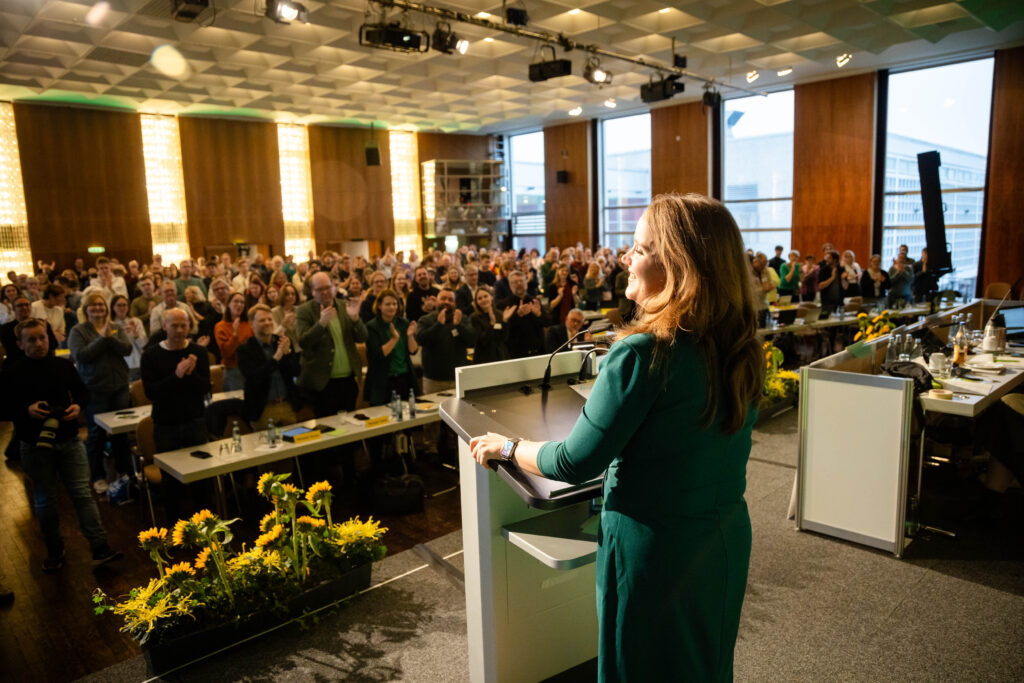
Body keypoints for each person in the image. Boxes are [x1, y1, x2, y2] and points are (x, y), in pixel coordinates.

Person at [470, 193, 762, 681]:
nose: (626, 257)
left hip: (653, 553)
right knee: (703, 665)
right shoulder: (740, 347)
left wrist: (507, 447)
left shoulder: (643, 355)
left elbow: (573, 462)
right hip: (721, 539)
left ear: (678, 267)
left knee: (639, 668)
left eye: (639, 248)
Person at [0, 319, 122, 571]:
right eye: (31, 339)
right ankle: (55, 550)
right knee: (45, 499)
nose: (39, 343)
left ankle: (99, 547)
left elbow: (82, 393)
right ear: (20, 343)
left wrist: (77, 406)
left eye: (42, 337)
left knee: (82, 494)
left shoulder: (62, 365)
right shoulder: (12, 371)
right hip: (34, 444)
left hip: (68, 439)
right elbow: (2, 407)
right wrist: (26, 409)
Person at [68, 292, 133, 492]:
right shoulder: (78, 331)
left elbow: (127, 349)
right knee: (96, 434)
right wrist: (102, 339)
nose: (98, 308)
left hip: (119, 386)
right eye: (93, 306)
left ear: (106, 308)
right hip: (95, 389)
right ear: (86, 309)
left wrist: (109, 337)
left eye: (101, 305)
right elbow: (81, 356)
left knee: (121, 432)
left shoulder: (116, 327)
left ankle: (125, 473)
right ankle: (96, 476)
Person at [296, 272, 367, 417]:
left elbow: (362, 337)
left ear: (334, 287)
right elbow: (304, 342)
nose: (325, 292)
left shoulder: (344, 306)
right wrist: (321, 324)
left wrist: (355, 319)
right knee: (328, 430)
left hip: (347, 380)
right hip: (323, 383)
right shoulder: (305, 311)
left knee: (350, 426)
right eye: (320, 289)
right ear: (312, 291)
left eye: (328, 287)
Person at [237, 305, 302, 429]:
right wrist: (276, 357)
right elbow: (254, 378)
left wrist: (287, 353)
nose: (267, 323)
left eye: (269, 319)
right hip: (263, 409)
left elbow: (296, 371)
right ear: (252, 324)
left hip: (287, 405)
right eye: (262, 320)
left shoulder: (282, 341)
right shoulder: (245, 349)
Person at [363, 289, 419, 406]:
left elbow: (413, 351)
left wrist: (410, 336)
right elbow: (377, 355)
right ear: (379, 306)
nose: (392, 307)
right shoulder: (372, 326)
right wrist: (394, 339)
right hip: (383, 381)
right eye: (387, 304)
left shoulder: (403, 322)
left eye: (394, 304)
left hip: (404, 378)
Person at [414, 287, 475, 394]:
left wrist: (459, 325)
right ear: (437, 301)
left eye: (450, 300)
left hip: (458, 378)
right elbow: (420, 340)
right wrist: (438, 325)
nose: (446, 302)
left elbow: (472, 341)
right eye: (443, 298)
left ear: (455, 303)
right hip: (433, 381)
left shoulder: (462, 319)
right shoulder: (426, 320)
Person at [498, 271, 546, 358]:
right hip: (516, 355)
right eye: (515, 282)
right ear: (510, 286)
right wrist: (517, 315)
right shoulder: (503, 305)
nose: (519, 284)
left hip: (538, 352)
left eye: (521, 281)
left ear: (526, 284)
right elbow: (503, 332)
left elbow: (547, 322)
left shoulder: (534, 301)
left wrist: (539, 315)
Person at [214, 292, 253, 391]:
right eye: (236, 301)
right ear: (228, 304)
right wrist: (235, 335)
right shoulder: (220, 326)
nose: (239, 304)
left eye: (242, 302)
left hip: (251, 367)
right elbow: (226, 353)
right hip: (233, 369)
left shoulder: (249, 324)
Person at [1, 296, 57, 362]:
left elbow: (52, 346)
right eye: (20, 305)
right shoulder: (5, 329)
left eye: (27, 304)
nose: (24, 308)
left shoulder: (42, 324)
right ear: (14, 309)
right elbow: (11, 350)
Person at [470, 288, 514, 364]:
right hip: (484, 358)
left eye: (485, 296)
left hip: (500, 356)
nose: (483, 300)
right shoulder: (474, 318)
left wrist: (505, 321)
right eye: (480, 298)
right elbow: (483, 340)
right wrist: (492, 324)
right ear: (476, 302)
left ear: (491, 297)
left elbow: (504, 338)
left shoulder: (500, 314)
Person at [111, 294, 147, 381]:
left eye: (124, 305)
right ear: (113, 307)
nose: (122, 308)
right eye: (119, 305)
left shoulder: (136, 322)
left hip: (137, 362)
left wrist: (135, 334)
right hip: (120, 364)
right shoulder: (110, 325)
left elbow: (144, 345)